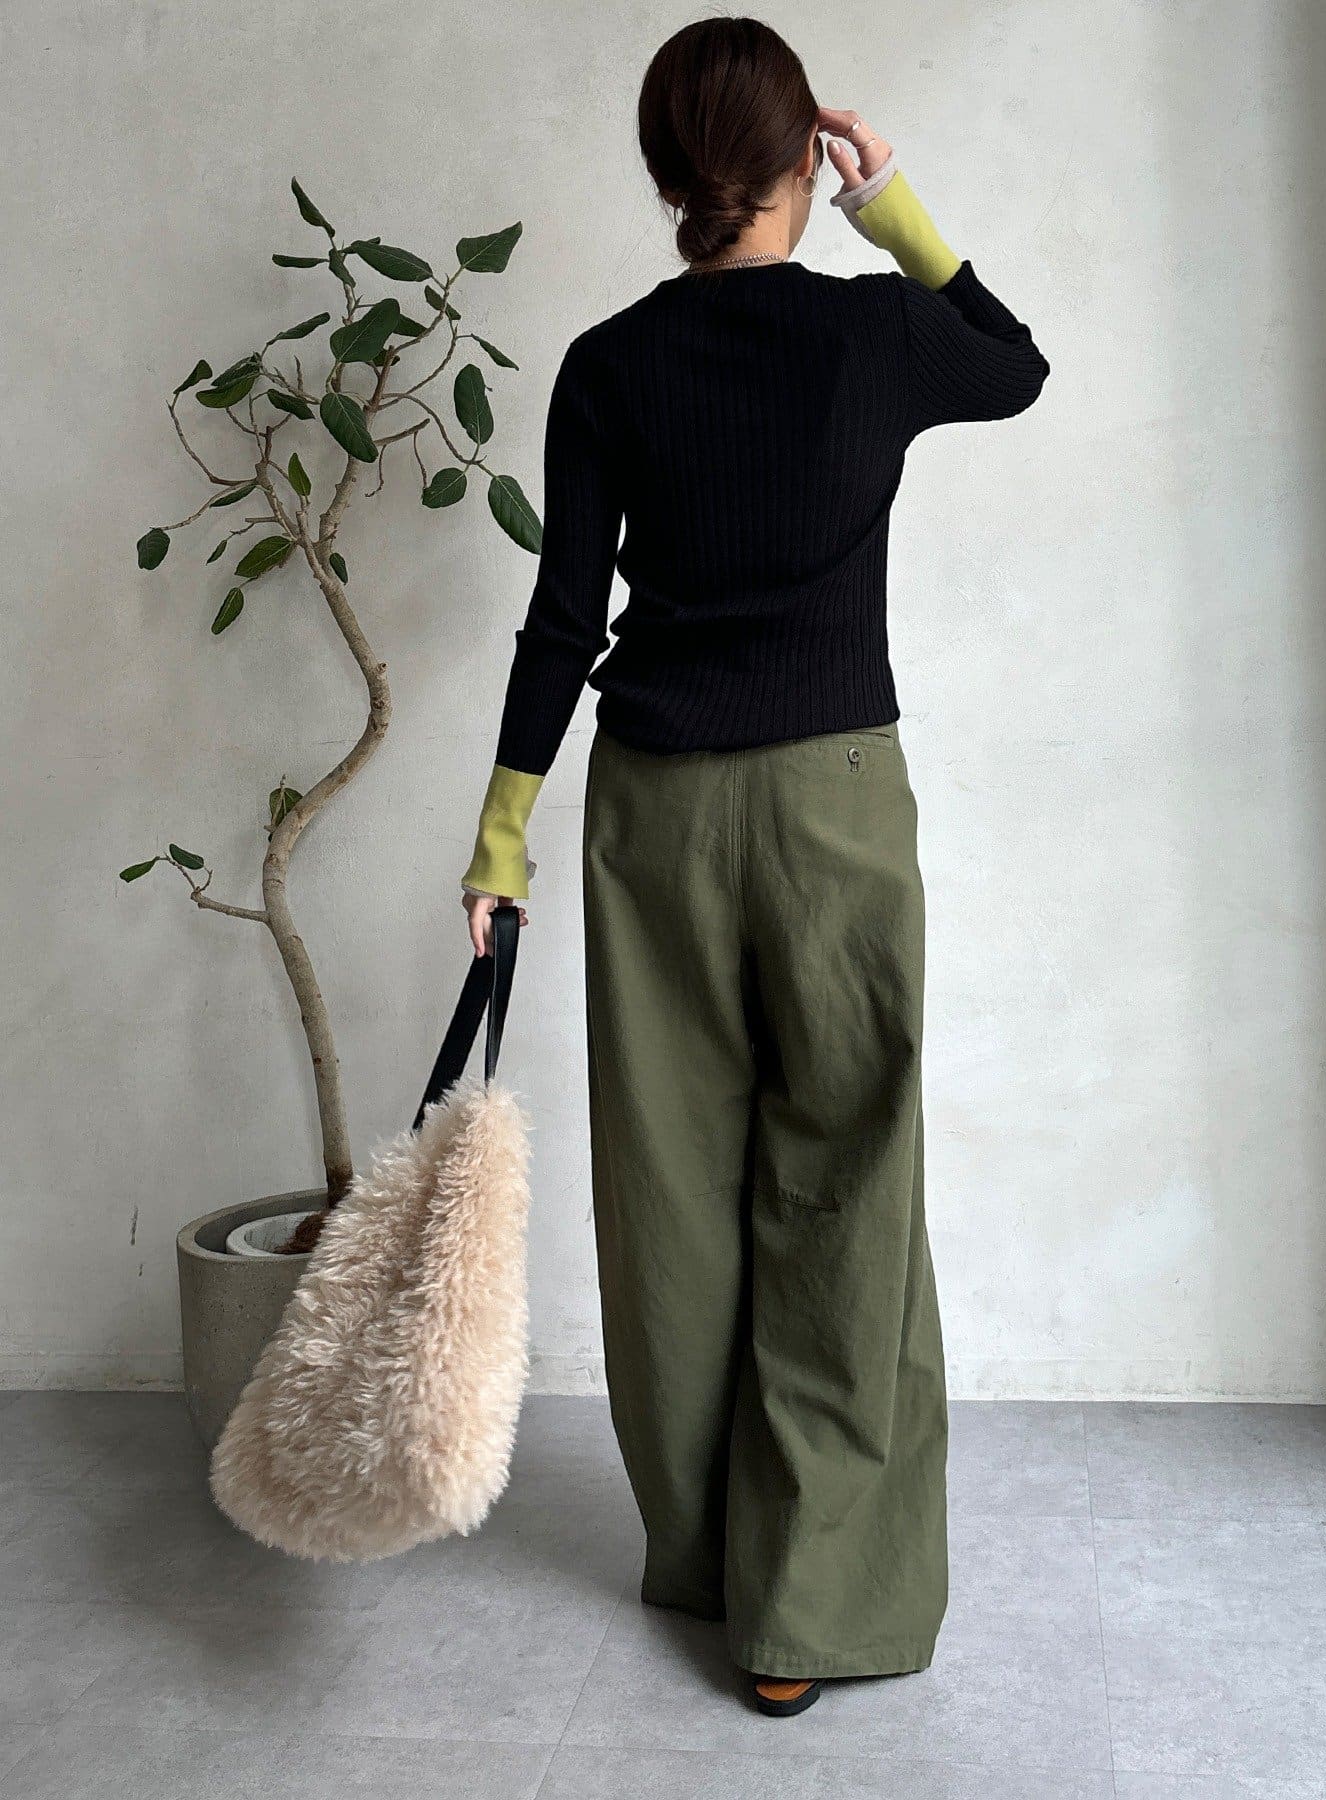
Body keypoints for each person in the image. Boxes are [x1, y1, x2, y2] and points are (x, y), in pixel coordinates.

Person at [460, 15, 1049, 1719]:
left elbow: (563, 621)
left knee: (671, 1188)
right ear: (805, 159)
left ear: (664, 176)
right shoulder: (876, 334)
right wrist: (894, 207)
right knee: (843, 1181)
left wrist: (498, 839)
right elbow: (1014, 362)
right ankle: (811, 1604)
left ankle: (712, 1559)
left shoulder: (607, 365)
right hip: (835, 808)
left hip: (650, 812)